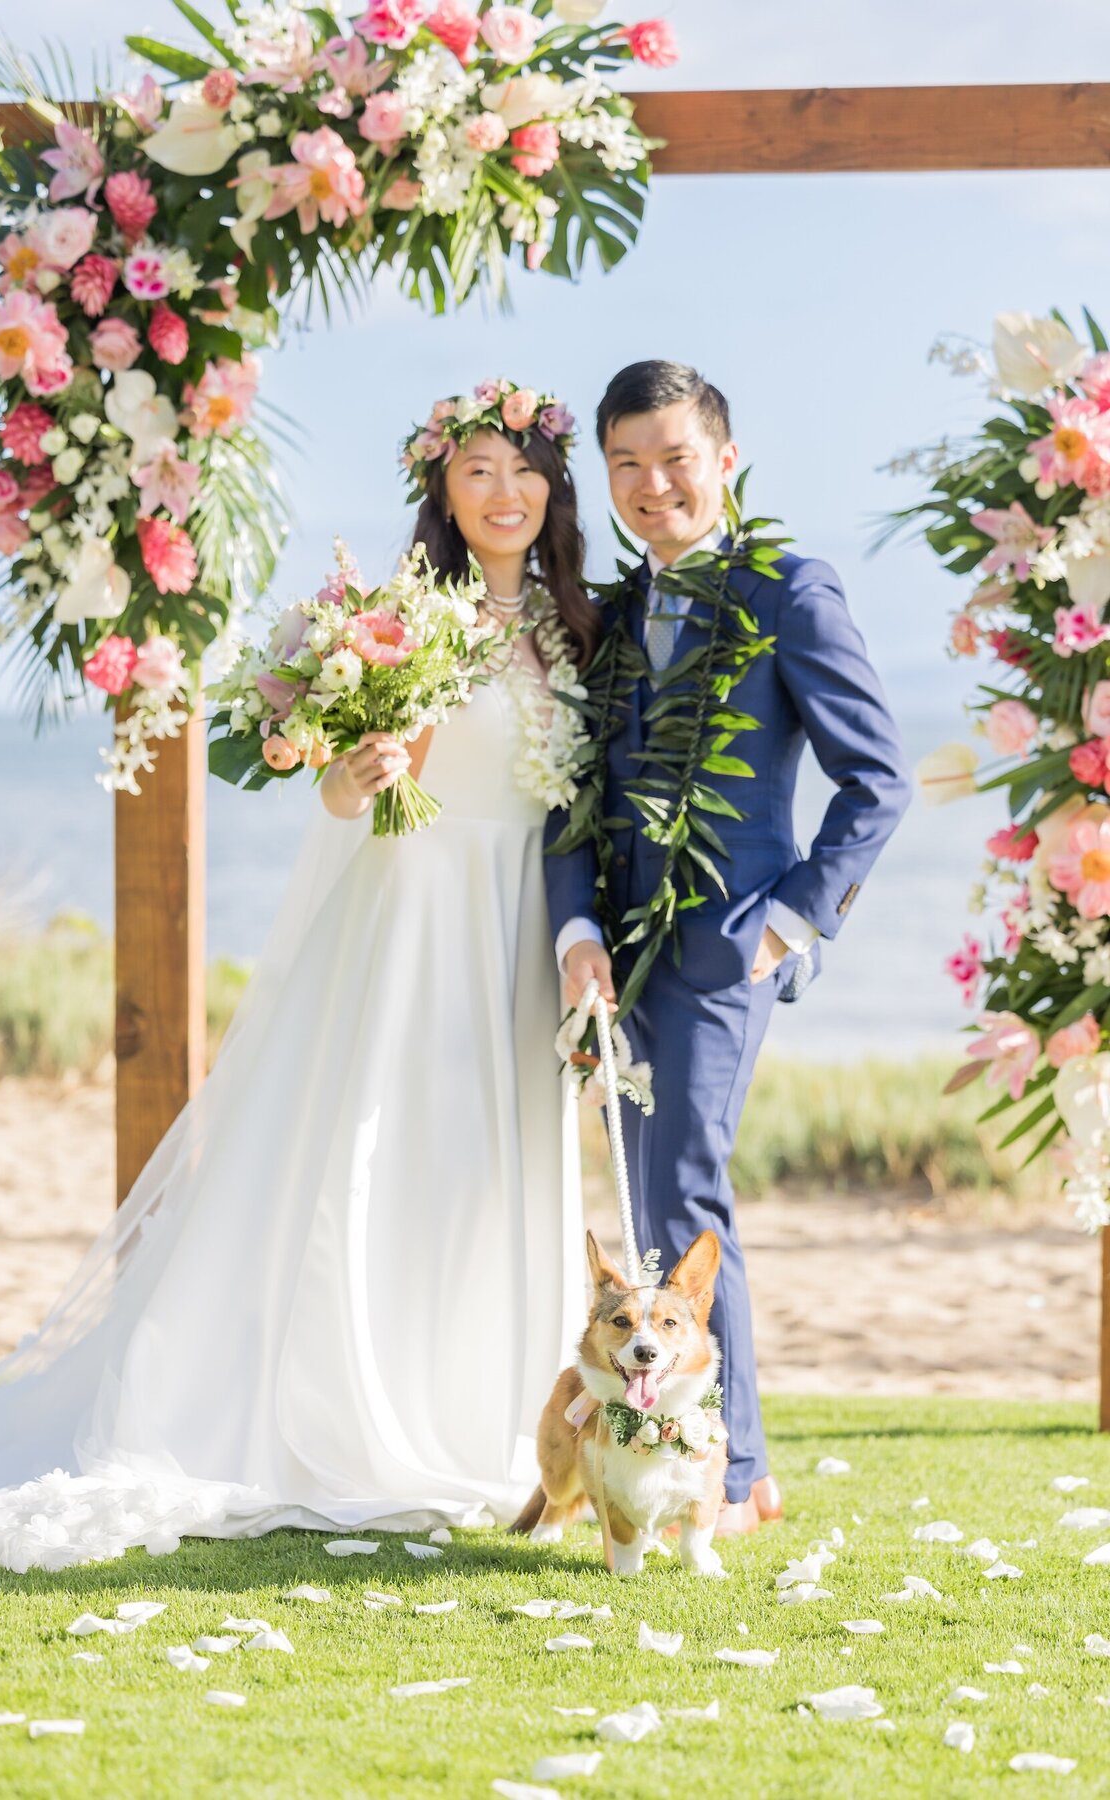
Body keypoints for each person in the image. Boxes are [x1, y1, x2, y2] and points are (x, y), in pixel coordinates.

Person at [0, 380, 598, 1575]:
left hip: (520, 921)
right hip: (412, 916)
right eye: (479, 468)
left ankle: (484, 1415)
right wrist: (361, 771)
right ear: (442, 486)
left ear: (556, 486)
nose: (506, 491)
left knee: (488, 1167)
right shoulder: (394, 612)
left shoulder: (574, 625)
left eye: (527, 468)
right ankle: (350, 1416)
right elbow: (334, 790)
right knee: (382, 1151)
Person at [545, 360, 912, 1535]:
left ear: (726, 460)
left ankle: (737, 1469)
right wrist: (576, 927)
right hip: (612, 960)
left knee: (685, 1205)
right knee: (644, 1201)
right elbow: (571, 790)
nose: (655, 487)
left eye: (676, 459)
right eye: (628, 467)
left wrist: (793, 921)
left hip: (723, 953)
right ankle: (663, 1452)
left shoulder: (790, 590)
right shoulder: (602, 620)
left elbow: (878, 777)